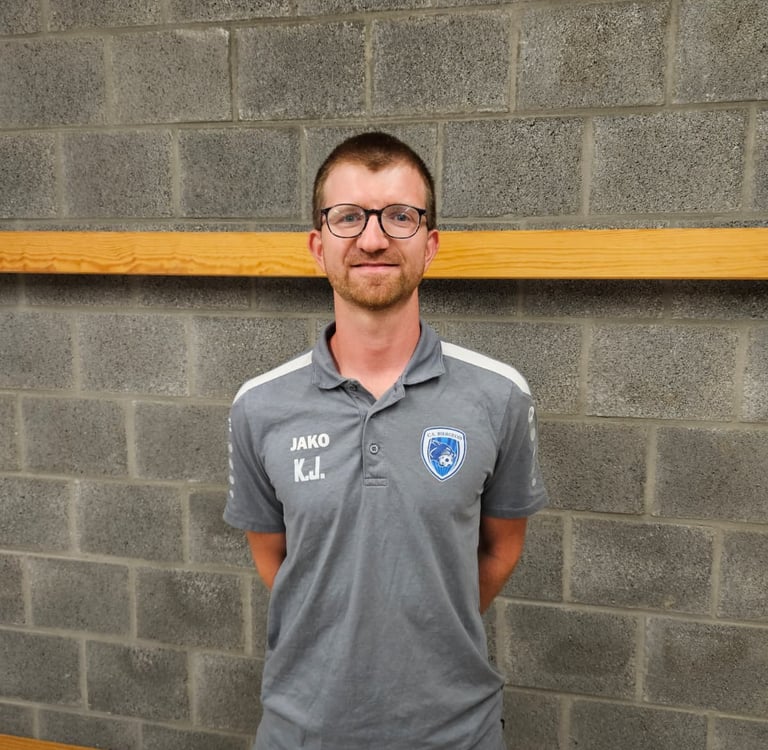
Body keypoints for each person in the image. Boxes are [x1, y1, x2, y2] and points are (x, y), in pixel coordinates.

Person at [224, 132, 548, 750]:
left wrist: (427, 623)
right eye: (348, 217)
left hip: (455, 733)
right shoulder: (259, 406)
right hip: (303, 731)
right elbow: (277, 562)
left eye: (400, 216)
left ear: (430, 245)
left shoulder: (499, 395)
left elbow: (500, 550)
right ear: (318, 247)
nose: (373, 239)